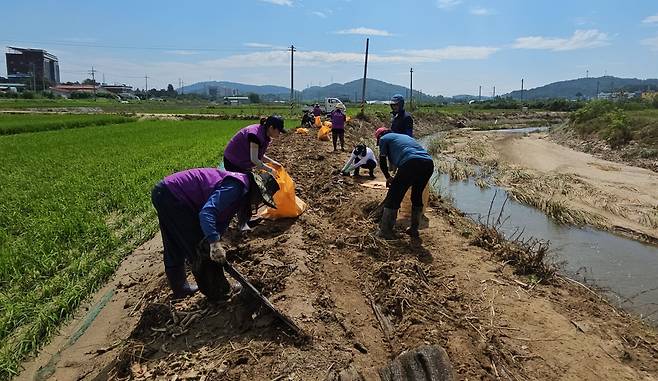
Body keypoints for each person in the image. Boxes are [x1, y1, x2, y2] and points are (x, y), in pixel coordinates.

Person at [151, 168, 279, 299]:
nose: (257, 203)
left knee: (174, 242)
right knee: (199, 248)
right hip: (173, 196)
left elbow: (221, 219)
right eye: (260, 199)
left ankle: (180, 289)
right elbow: (207, 213)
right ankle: (219, 293)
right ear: (256, 190)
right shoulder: (235, 187)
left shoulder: (240, 187)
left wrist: (215, 236)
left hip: (165, 191)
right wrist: (214, 243)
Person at [375, 128, 434, 239]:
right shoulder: (403, 137)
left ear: (379, 137)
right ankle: (414, 229)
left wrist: (388, 177)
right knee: (417, 195)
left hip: (411, 163)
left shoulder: (383, 138)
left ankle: (385, 231)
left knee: (394, 196)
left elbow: (382, 161)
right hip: (428, 164)